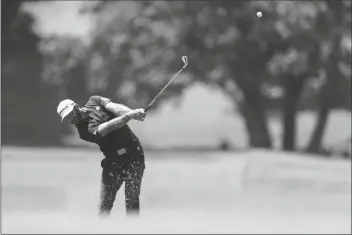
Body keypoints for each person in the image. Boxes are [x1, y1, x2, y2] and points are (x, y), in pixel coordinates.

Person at [56, 95, 147, 217]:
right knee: (104, 206)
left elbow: (114, 107)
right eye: (67, 118)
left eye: (70, 114)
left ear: (76, 107)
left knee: (132, 200)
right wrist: (129, 116)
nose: (71, 119)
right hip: (114, 161)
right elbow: (108, 127)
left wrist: (132, 113)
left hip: (134, 154)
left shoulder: (94, 100)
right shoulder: (84, 132)